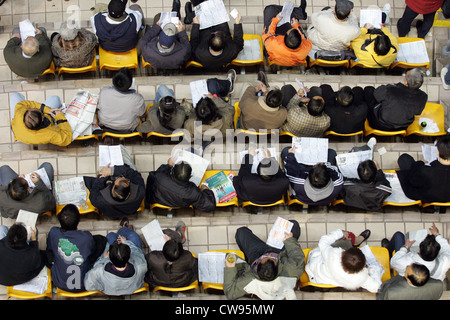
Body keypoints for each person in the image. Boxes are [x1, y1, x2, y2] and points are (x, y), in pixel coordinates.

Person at [224, 221, 304, 300]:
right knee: (293, 225)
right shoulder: (290, 271)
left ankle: (249, 256)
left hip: (256, 254)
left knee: (241, 232)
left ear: (257, 266)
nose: (269, 255)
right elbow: (298, 256)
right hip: (278, 252)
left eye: (265, 258)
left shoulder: (249, 280)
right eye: (272, 258)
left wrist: (230, 269)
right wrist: (289, 240)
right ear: (277, 266)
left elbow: (230, 293)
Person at [45, 204, 107, 293]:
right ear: (78, 221)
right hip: (85, 284)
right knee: (100, 240)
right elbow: (92, 250)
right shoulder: (86, 237)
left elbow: (49, 249)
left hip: (60, 283)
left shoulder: (54, 232)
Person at [305, 228, 383, 292]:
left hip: (314, 270)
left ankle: (355, 241)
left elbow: (323, 241)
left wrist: (341, 233)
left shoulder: (331, 254)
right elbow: (377, 287)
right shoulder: (361, 279)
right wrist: (373, 270)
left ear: (344, 253)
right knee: (349, 238)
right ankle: (356, 242)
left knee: (348, 237)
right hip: (322, 277)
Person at [84, 221, 147, 295]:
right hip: (132, 288)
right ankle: (124, 229)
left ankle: (122, 230)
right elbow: (138, 253)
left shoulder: (99, 271)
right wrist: (126, 242)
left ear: (109, 257)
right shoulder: (140, 266)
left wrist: (103, 259)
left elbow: (88, 286)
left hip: (109, 290)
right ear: (129, 256)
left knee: (111, 236)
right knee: (133, 236)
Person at [83, 150, 146, 218]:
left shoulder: (99, 200)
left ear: (112, 187)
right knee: (127, 165)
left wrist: (103, 175)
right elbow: (134, 174)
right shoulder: (140, 191)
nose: (121, 177)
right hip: (129, 210)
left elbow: (95, 188)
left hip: (111, 213)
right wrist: (114, 171)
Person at [383, 223, 450, 281]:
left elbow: (393, 262)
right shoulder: (445, 262)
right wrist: (437, 234)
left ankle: (388, 250)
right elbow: (447, 249)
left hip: (407, 279)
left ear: (419, 250)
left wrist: (405, 247)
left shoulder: (408, 263)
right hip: (424, 284)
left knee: (398, 235)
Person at [146, 157, 216, 212]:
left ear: (173, 171)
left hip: (158, 200)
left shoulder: (158, 177)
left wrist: (168, 165)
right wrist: (205, 189)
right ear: (189, 177)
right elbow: (209, 204)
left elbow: (154, 179)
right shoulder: (193, 192)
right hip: (179, 204)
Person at [396, 134, 450, 203]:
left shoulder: (425, 171)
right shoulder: (427, 171)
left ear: (438, 152)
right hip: (447, 197)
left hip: (426, 196)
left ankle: (427, 206)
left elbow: (412, 180)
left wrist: (420, 162)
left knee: (404, 159)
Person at [183, 70, 236, 139]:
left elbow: (190, 139)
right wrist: (213, 98)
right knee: (212, 83)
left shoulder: (189, 124)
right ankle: (229, 85)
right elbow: (231, 109)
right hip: (221, 130)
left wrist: (195, 109)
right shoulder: (225, 119)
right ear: (215, 108)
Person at [139, 1, 191, 70]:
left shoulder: (147, 50)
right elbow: (187, 45)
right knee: (176, 24)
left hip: (156, 62)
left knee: (158, 16)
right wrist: (181, 32)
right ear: (173, 42)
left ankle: (175, 12)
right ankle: (176, 14)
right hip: (172, 62)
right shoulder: (182, 53)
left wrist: (156, 27)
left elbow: (144, 39)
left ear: (158, 37)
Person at [145, 221, 198, 289]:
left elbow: (146, 262)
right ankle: (179, 234)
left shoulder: (153, 258)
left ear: (163, 250)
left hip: (158, 282)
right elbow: (195, 265)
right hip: (182, 282)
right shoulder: (187, 257)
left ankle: (179, 235)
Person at [96, 67, 146, 135]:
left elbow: (97, 106)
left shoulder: (104, 92)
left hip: (105, 125)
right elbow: (141, 113)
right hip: (128, 128)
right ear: (130, 84)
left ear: (113, 81)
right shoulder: (138, 99)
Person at [377, 263, 444, 300]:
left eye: (406, 271)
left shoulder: (392, 292)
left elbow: (381, 296)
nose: (407, 266)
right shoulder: (438, 285)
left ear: (409, 280)